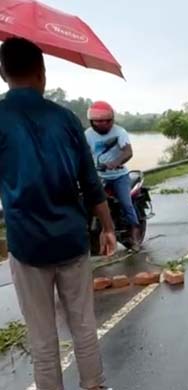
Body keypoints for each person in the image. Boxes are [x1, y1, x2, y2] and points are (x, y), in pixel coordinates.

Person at [0, 37, 116, 390]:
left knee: (42, 336)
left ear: (3, 73)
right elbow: (91, 181)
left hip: (26, 243)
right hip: (71, 238)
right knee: (83, 325)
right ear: (42, 73)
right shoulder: (65, 119)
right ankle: (94, 385)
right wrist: (108, 227)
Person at [85, 101, 141, 250]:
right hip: (99, 176)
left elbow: (128, 151)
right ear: (92, 121)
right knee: (89, 201)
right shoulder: (87, 135)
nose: (104, 124)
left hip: (119, 176)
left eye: (107, 121)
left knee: (126, 203)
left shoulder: (119, 132)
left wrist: (115, 162)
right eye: (99, 121)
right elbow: (82, 154)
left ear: (113, 120)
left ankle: (135, 231)